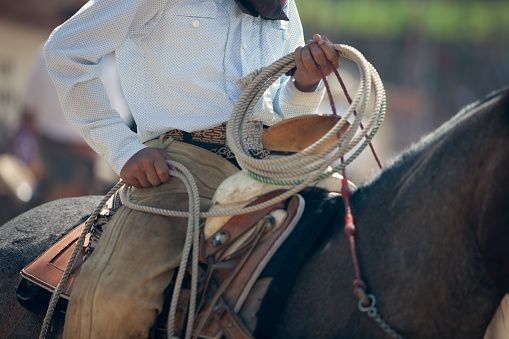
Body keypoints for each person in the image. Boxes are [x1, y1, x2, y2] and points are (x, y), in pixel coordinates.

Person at [43, 0, 340, 337]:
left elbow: (282, 114)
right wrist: (123, 149)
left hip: (270, 168)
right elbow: (65, 50)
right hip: (182, 166)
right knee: (117, 296)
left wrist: (305, 83)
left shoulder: (282, 5)